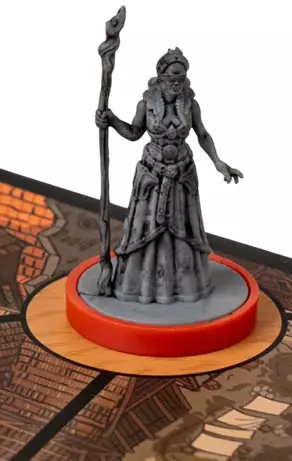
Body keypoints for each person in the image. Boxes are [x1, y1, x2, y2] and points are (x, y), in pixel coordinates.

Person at [95, 48, 242, 304]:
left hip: (182, 175)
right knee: (146, 226)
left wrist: (219, 163)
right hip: (152, 173)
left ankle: (183, 285)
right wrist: (111, 120)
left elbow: (202, 135)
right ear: (161, 77)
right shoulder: (146, 104)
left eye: (181, 78)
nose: (177, 83)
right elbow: (134, 133)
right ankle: (141, 285)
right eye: (172, 78)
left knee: (183, 228)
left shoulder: (190, 104)